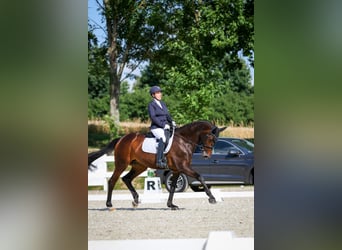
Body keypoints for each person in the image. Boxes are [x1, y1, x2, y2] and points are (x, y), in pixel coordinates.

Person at [148, 86, 176, 168]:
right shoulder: (151, 105)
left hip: (166, 126)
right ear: (153, 95)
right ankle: (159, 160)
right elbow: (153, 117)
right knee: (163, 138)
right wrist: (163, 125)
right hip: (156, 127)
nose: (160, 94)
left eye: (160, 92)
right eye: (158, 93)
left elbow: (167, 115)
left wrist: (172, 121)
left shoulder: (162, 103)